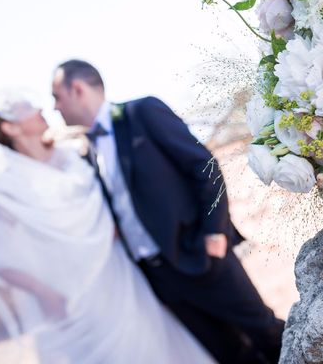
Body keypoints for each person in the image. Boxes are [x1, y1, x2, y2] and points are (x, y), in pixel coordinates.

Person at [52, 59, 285, 363]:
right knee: (229, 354)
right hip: (159, 279)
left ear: (77, 89)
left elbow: (204, 166)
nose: (55, 107)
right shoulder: (88, 153)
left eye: (57, 96)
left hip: (201, 255)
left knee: (265, 332)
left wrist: (215, 233)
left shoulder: (142, 113)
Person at [0, 91, 216, 363]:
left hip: (120, 272)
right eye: (25, 107)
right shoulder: (8, 188)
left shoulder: (73, 156)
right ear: (10, 127)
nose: (38, 108)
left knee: (154, 344)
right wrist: (46, 293)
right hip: (76, 294)